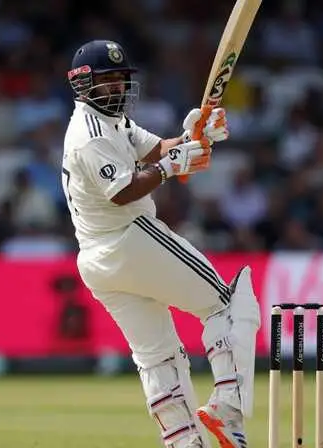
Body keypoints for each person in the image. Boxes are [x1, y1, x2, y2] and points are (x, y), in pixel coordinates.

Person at [61, 40, 261, 448]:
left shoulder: (112, 119)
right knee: (227, 302)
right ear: (83, 85)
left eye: (121, 79)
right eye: (109, 81)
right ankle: (227, 403)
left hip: (99, 262)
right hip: (128, 238)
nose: (118, 88)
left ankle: (184, 441)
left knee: (158, 356)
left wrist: (194, 135)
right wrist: (172, 166)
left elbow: (160, 150)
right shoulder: (90, 133)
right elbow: (123, 191)